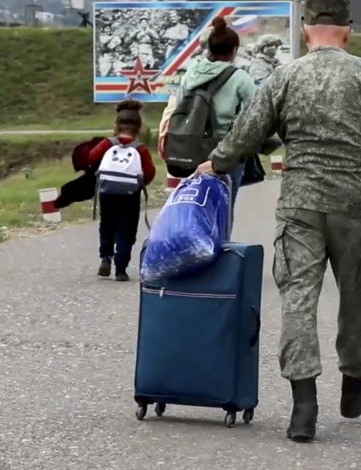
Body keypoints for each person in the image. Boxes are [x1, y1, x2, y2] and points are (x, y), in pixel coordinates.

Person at [194, 0, 361, 443]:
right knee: (356, 301)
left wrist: (213, 165)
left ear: (306, 32)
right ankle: (353, 389)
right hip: (357, 207)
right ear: (347, 31)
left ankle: (303, 408)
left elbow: (246, 134)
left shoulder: (284, 76)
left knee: (298, 299)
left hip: (300, 207)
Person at [158, 16, 257, 223]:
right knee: (223, 210)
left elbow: (181, 107)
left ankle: (193, 247)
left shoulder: (190, 74)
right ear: (234, 50)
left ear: (209, 48)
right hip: (225, 152)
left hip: (192, 148)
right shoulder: (240, 78)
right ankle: (219, 250)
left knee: (195, 205)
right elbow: (255, 115)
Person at [87, 100, 156, 281]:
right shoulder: (140, 149)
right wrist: (138, 184)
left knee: (107, 225)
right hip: (130, 195)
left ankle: (106, 257)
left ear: (116, 125)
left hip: (107, 192)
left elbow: (90, 157)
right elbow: (149, 173)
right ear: (139, 127)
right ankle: (121, 269)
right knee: (126, 229)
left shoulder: (107, 144)